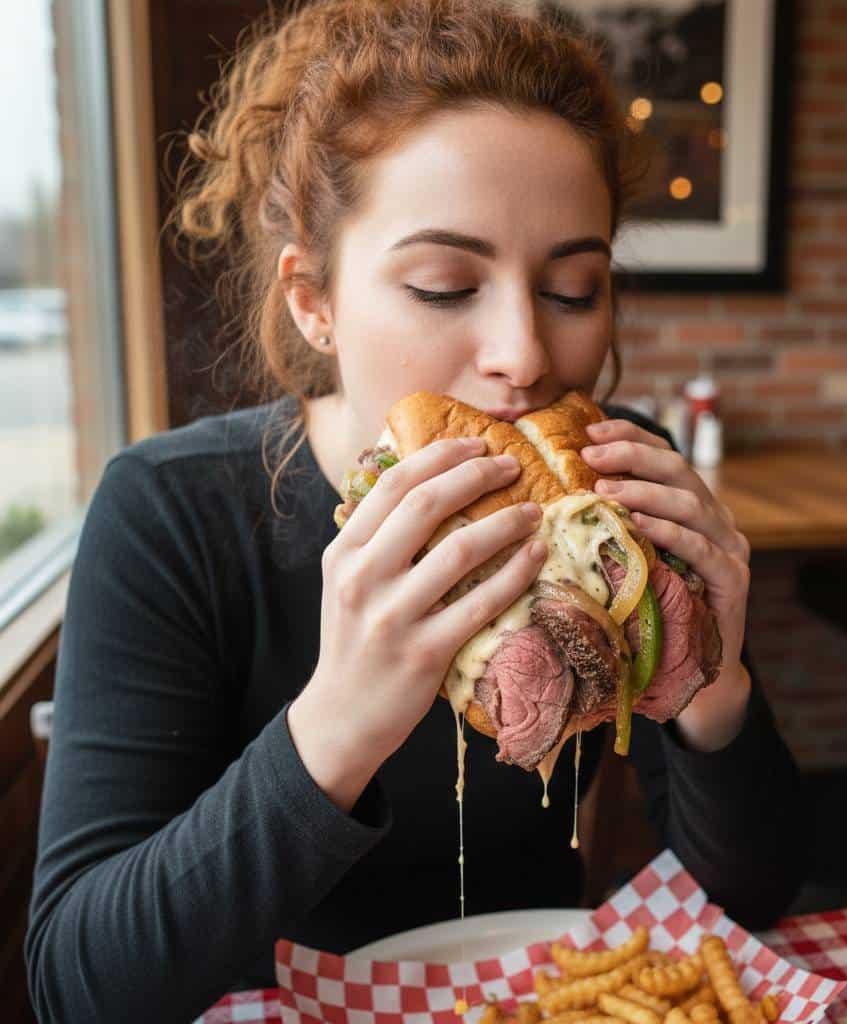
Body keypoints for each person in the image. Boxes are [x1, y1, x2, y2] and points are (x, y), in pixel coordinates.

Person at [25, 1, 804, 1020]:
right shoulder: (172, 511)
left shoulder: (613, 495)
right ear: (314, 301)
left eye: (574, 289)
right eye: (443, 285)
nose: (523, 355)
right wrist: (338, 724)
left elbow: (749, 898)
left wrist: (712, 684)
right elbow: (76, 986)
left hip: (537, 1000)